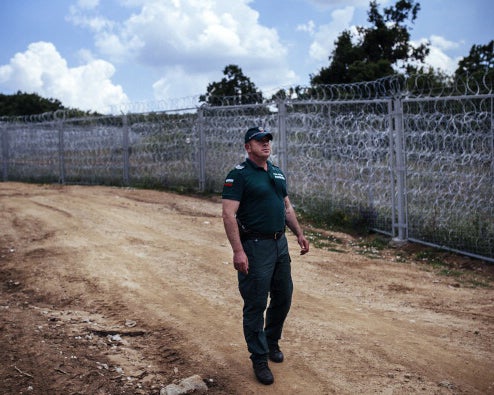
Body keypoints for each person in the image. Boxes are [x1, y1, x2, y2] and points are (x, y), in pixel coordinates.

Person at [222, 126, 310, 385]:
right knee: (256, 303)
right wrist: (238, 250)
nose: (266, 144)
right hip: (255, 245)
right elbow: (228, 214)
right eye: (259, 141)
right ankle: (259, 359)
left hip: (278, 244)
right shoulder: (238, 175)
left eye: (268, 140)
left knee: (283, 296)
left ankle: (271, 342)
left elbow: (286, 206)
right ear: (248, 147)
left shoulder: (276, 171)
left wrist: (299, 234)